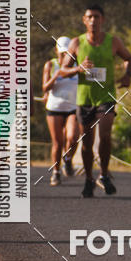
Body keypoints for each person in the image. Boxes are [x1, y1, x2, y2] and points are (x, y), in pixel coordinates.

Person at [66, 5, 131, 198]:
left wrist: (128, 75)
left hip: (106, 96)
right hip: (85, 98)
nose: (93, 20)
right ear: (84, 20)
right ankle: (89, 178)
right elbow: (63, 70)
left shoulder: (113, 41)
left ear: (102, 19)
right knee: (87, 142)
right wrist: (78, 69)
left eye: (96, 17)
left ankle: (104, 174)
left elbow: (129, 58)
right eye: (89, 17)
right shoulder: (76, 43)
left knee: (105, 135)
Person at [42, 37, 79, 185]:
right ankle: (56, 172)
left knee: (73, 137)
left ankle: (68, 159)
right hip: (55, 107)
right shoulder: (51, 65)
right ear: (56, 51)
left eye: (67, 53)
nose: (64, 55)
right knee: (57, 143)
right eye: (62, 52)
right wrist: (56, 76)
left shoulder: (76, 65)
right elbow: (45, 87)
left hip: (72, 107)